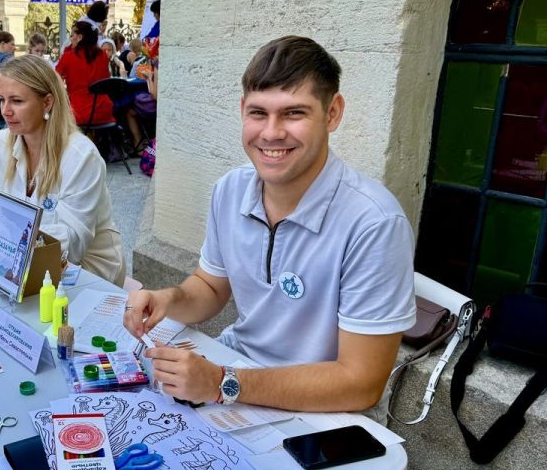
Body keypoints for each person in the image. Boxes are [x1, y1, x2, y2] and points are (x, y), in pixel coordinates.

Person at [124, 36, 415, 416]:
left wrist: (221, 382)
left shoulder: (374, 223)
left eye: (294, 113)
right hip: (235, 383)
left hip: (318, 415)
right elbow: (211, 287)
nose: (272, 133)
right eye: (258, 113)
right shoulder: (230, 189)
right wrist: (168, 300)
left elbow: (361, 384)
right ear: (242, 110)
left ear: (332, 113)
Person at [0, 55, 125, 285]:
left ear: (47, 102)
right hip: (19, 263)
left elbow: (73, 245)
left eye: (17, 101)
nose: (5, 111)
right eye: (1, 100)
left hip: (88, 272)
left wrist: (9, 237)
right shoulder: (3, 141)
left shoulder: (81, 156)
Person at [55, 21, 113, 126]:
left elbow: (54, 80)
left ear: (80, 37)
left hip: (78, 112)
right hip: (103, 110)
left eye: (72, 35)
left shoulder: (68, 57)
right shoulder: (102, 55)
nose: (70, 38)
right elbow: (106, 80)